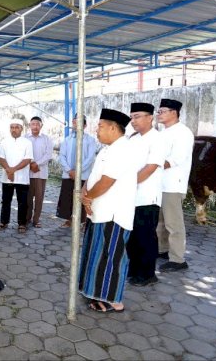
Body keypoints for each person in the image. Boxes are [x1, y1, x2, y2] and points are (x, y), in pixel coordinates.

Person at [79, 108, 136, 313]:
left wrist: (88, 197)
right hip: (98, 211)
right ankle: (96, 292)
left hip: (114, 214)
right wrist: (86, 194)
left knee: (111, 256)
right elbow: (94, 176)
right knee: (97, 254)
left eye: (101, 126)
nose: (97, 130)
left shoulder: (123, 149)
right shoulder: (106, 149)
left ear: (113, 128)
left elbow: (107, 181)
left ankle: (114, 300)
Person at [127, 103, 165, 287]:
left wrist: (128, 183)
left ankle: (148, 274)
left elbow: (150, 167)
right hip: (130, 196)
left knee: (146, 236)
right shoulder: (133, 139)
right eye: (132, 117)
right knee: (132, 237)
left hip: (147, 196)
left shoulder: (157, 139)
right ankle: (134, 271)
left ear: (150, 117)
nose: (133, 120)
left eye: (138, 116)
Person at [156, 98, 194, 272]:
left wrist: (151, 165)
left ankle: (178, 259)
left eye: (162, 111)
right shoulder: (163, 132)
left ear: (174, 112)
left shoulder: (183, 133)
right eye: (159, 111)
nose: (159, 114)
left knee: (174, 224)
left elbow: (177, 158)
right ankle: (163, 250)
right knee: (161, 222)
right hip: (159, 183)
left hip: (173, 184)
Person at [57, 114, 98, 228]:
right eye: (74, 122)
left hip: (83, 175)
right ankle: (69, 220)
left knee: (81, 197)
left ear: (85, 125)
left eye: (79, 122)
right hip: (68, 174)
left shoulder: (90, 140)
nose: (76, 124)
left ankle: (82, 221)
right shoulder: (67, 140)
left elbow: (90, 158)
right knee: (68, 197)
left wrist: (78, 171)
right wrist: (69, 170)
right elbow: (62, 156)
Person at [0, 119, 33, 234]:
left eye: (17, 127)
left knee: (22, 202)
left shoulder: (27, 143)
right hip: (6, 177)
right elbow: (1, 158)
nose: (14, 130)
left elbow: (27, 159)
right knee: (6, 200)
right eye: (12, 127)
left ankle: (22, 223)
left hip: (22, 178)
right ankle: (4, 221)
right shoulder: (4, 142)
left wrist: (13, 170)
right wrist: (8, 170)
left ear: (21, 129)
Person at [25, 116, 53, 229]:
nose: (35, 126)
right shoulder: (25, 138)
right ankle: (27, 218)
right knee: (28, 197)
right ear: (29, 125)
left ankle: (36, 220)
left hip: (41, 173)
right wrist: (31, 164)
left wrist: (37, 164)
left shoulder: (47, 139)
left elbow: (48, 155)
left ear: (41, 126)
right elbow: (22, 153)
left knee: (39, 198)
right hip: (27, 172)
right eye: (33, 124)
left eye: (37, 124)